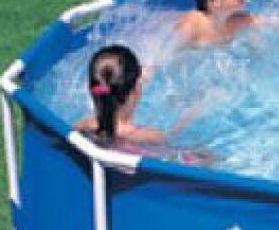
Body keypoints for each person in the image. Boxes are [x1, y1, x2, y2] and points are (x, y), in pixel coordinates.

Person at [75, 45, 206, 158]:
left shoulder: (85, 125)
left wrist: (137, 80)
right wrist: (189, 117)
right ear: (137, 89)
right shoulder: (144, 136)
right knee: (205, 156)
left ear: (90, 88)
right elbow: (172, 137)